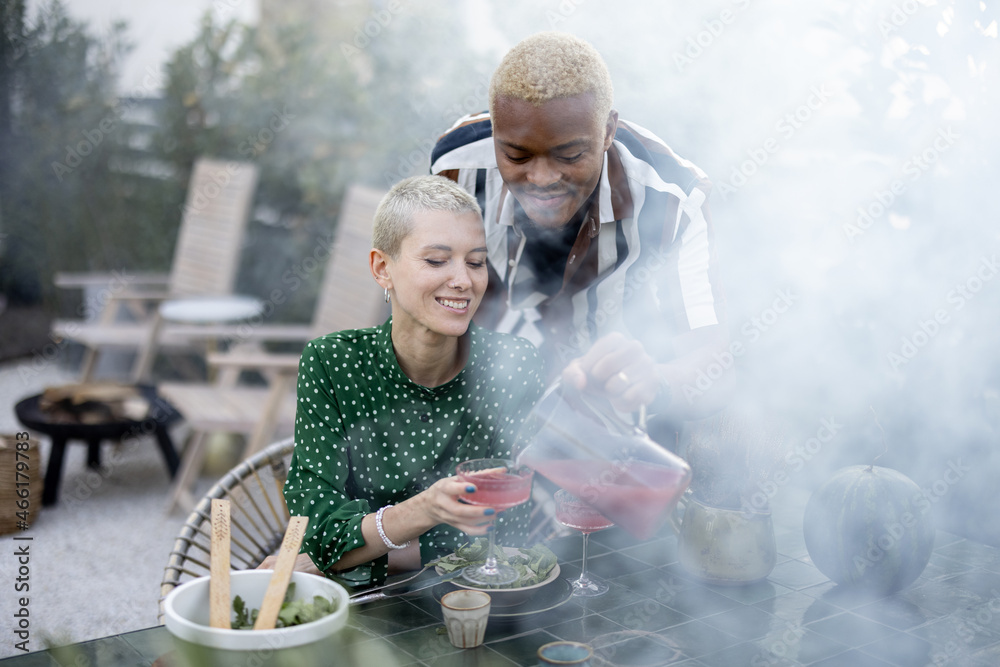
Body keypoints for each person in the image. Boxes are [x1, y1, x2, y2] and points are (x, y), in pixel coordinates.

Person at [431, 32, 732, 435]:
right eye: (516, 155)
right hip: (485, 414)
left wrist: (655, 382)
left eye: (570, 155)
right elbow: (430, 298)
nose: (541, 179)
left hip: (615, 436)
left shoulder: (675, 201)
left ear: (608, 130)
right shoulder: (457, 169)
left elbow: (713, 370)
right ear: (495, 134)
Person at [272, 175, 545, 582]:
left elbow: (513, 529)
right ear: (383, 268)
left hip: (482, 595)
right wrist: (427, 510)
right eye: (436, 260)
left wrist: (365, 552)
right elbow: (318, 532)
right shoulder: (332, 362)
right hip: (358, 609)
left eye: (475, 261)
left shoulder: (513, 361)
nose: (464, 281)